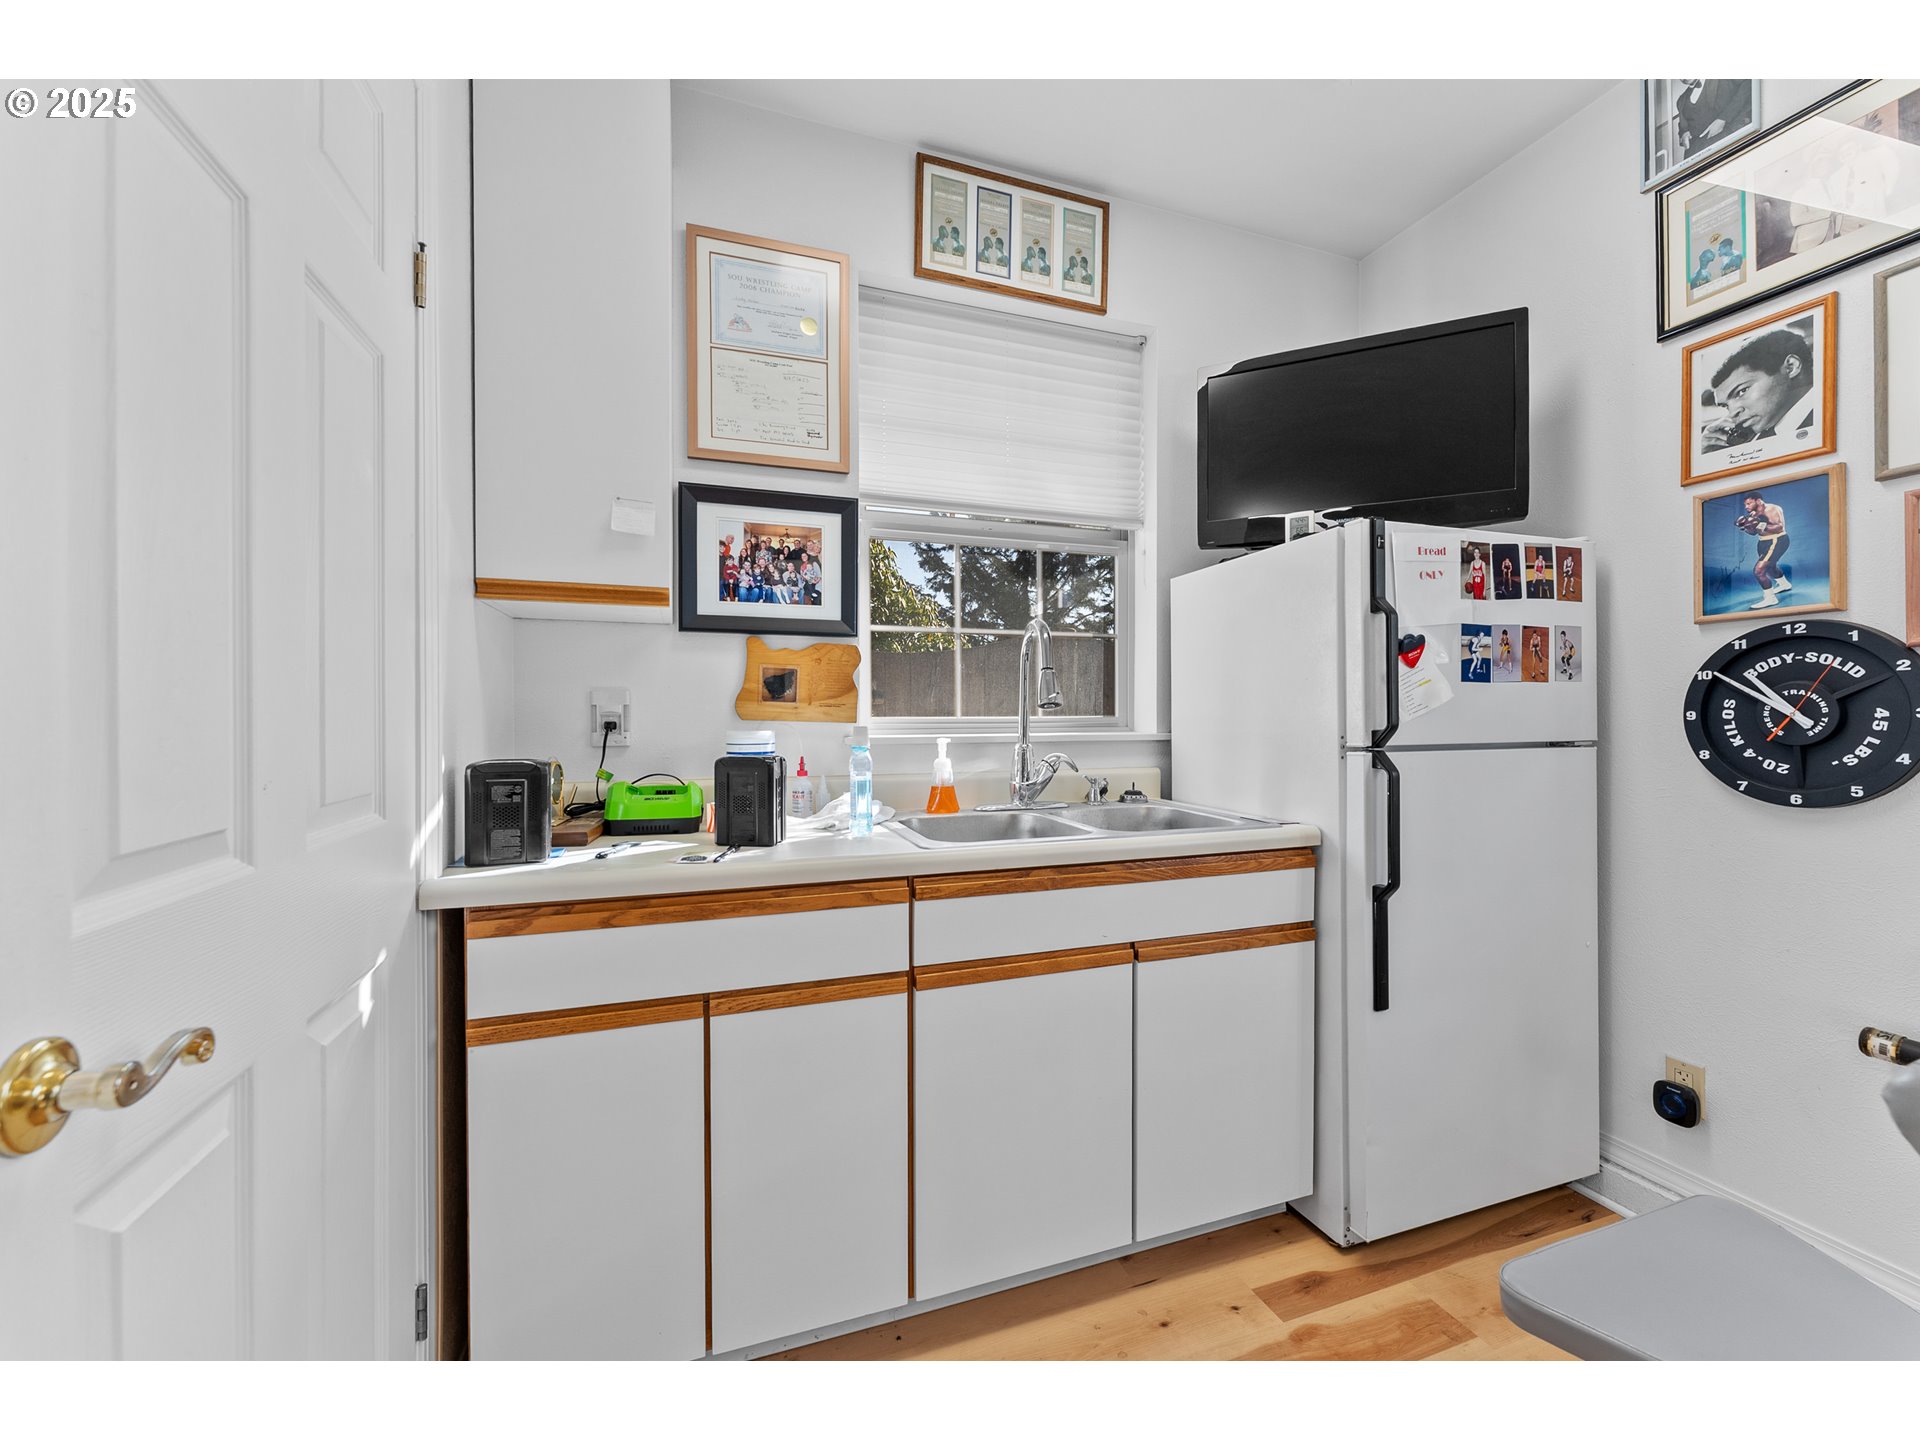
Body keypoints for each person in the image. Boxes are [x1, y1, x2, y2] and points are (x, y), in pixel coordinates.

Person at [1702, 327, 1815, 452]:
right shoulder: (1741, 441)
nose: (1732, 413)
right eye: (1725, 406)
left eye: (1741, 391)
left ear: (1791, 367)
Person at [1737, 493, 1793, 609]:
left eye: (1749, 503)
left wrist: (1759, 524)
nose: (1746, 507)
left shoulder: (1772, 509)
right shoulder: (1753, 514)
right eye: (1745, 504)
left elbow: (1779, 527)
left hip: (1777, 540)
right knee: (1770, 568)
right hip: (1763, 542)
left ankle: (1770, 599)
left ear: (1758, 501)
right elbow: (1754, 532)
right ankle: (1784, 584)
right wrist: (1745, 527)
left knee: (1759, 571)